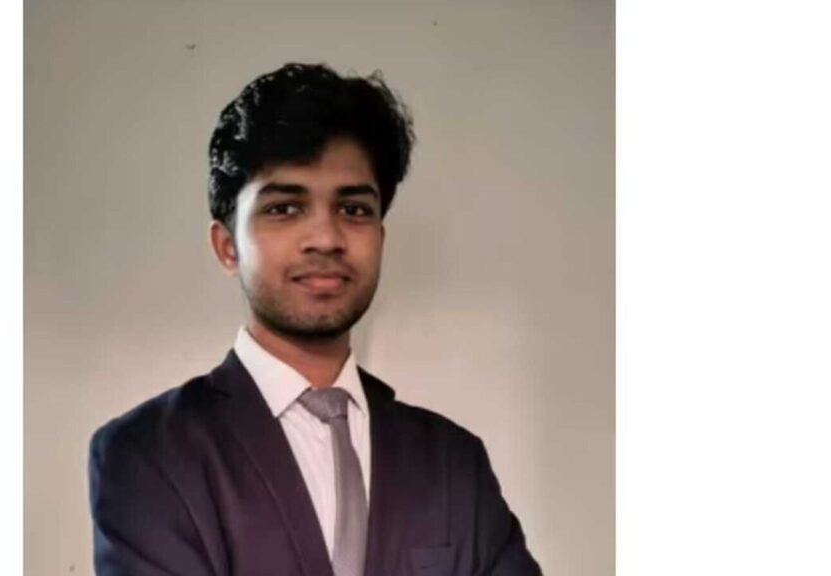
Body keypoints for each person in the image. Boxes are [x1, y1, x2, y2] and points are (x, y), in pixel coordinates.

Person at [88, 62, 541, 576]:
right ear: (228, 246)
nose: (326, 238)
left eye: (354, 210)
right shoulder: (149, 454)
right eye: (284, 208)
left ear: (380, 237)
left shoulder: (454, 463)